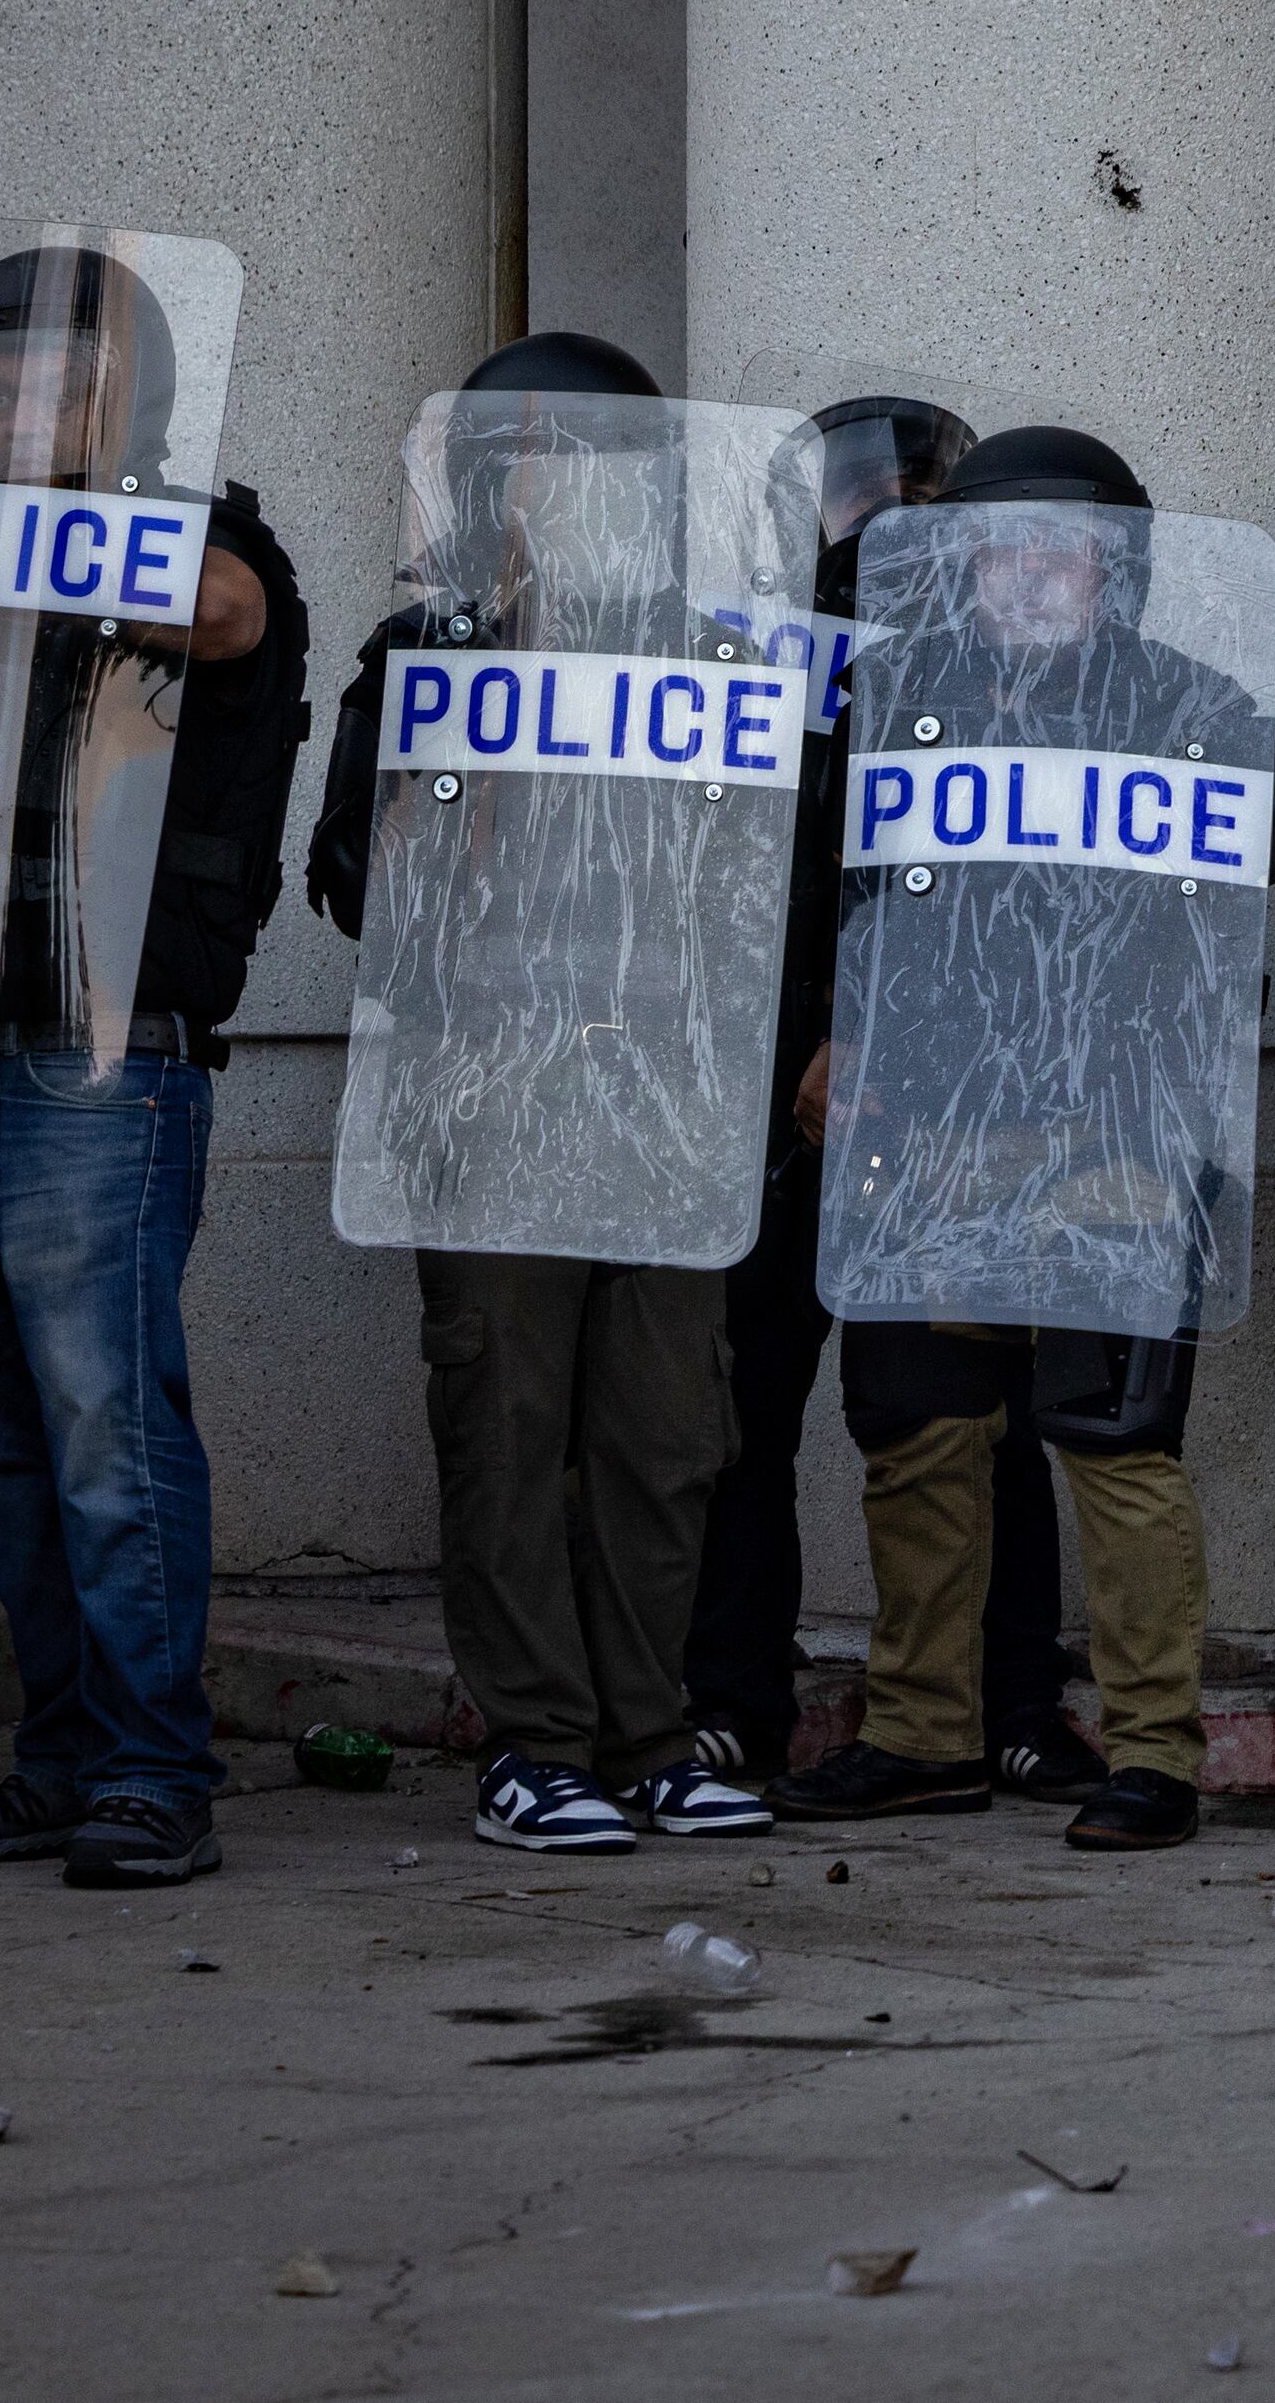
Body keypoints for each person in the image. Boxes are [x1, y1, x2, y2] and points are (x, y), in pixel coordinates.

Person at [0, 238, 310, 1889]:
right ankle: (63, 1750)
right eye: (4, 374)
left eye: (64, 374)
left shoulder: (201, 541)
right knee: (0, 1443)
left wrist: (9, 545)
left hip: (96, 1064)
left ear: (133, 397)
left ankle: (156, 1768)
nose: (28, 401)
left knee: (108, 1426)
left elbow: (224, 613)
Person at [303, 335, 776, 1855]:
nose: (560, 496)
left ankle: (648, 1729)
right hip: (490, 1093)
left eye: (589, 468)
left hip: (659, 1093)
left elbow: (761, 889)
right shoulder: (423, 657)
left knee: (662, 1429)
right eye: (530, 470)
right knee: (506, 1419)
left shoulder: (711, 663)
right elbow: (348, 888)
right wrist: (471, 713)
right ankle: (536, 1739)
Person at [775, 426, 1264, 1852]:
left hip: (1116, 1129)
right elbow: (848, 900)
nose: (1033, 575)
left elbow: (1215, 945)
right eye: (1005, 547)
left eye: (1066, 551)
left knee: (1113, 1446)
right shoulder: (896, 703)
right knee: (918, 1433)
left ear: (1119, 573)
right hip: (931, 1129)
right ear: (959, 565)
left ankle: (1154, 1753)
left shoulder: (1202, 713)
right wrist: (841, 1036)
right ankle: (926, 1733)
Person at [670, 400, 1097, 1804]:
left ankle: (1015, 1700)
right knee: (751, 1403)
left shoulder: (992, 669)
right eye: (866, 498)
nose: (888, 522)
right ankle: (734, 1695)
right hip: (760, 1070)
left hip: (923, 1076)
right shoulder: (740, 651)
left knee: (974, 1406)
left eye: (921, 498)